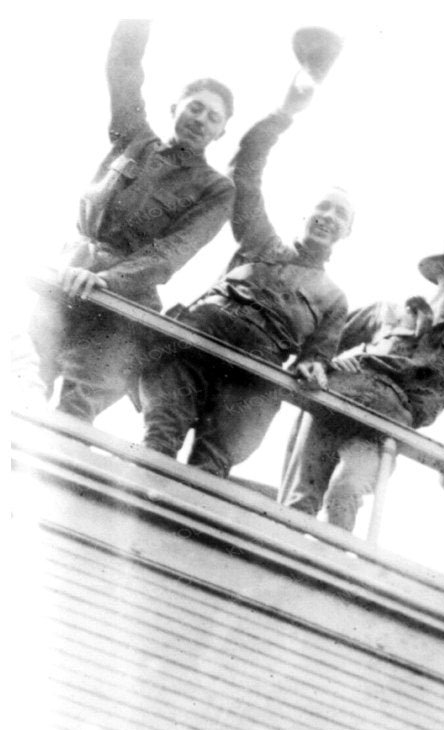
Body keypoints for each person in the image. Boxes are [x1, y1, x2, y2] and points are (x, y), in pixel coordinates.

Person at [139, 78, 351, 477]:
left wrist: (313, 368)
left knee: (211, 467)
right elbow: (245, 170)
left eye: (340, 216)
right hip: (199, 338)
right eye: (323, 208)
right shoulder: (260, 239)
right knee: (159, 436)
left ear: (346, 233)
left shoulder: (333, 298)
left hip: (254, 375)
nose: (328, 217)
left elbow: (317, 355)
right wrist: (284, 114)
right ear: (305, 216)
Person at [33, 19, 235, 423]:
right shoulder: (135, 138)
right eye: (194, 107)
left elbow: (170, 253)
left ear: (221, 131)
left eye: (212, 117)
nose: (200, 119)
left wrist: (108, 280)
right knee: (22, 378)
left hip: (124, 305)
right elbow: (124, 66)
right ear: (174, 108)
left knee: (76, 411)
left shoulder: (216, 189)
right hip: (68, 269)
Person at [280, 237, 444, 530]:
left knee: (345, 491)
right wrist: (326, 363)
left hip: (383, 429)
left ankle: (322, 568)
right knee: (300, 501)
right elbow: (324, 341)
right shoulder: (388, 311)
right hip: (332, 403)